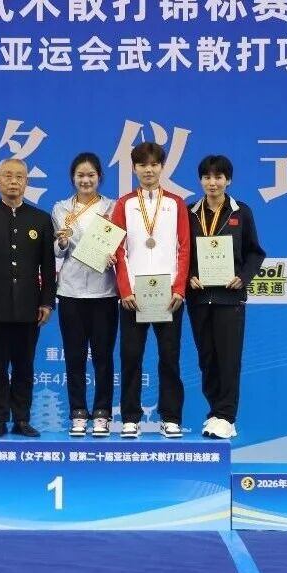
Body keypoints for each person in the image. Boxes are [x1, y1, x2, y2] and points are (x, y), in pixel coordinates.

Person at [0, 158, 57, 438]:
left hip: (30, 307)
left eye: (19, 176)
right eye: (7, 176)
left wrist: (47, 301)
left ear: (27, 181)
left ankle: (22, 418)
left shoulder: (40, 219)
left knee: (24, 366)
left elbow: (48, 266)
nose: (13, 181)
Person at [111, 142, 190, 439]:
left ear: (162, 167)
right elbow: (118, 250)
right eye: (143, 165)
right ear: (134, 168)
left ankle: (171, 417)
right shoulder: (124, 204)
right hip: (133, 295)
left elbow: (185, 247)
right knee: (131, 356)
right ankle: (130, 417)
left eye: (154, 164)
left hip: (169, 295)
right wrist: (125, 290)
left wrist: (179, 288)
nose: (149, 170)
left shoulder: (176, 203)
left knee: (169, 357)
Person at [186, 155, 265, 440]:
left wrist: (243, 277)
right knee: (207, 359)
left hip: (229, 299)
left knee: (228, 359)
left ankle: (227, 417)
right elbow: (181, 252)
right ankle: (215, 413)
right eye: (207, 177)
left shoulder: (241, 212)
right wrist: (188, 276)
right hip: (198, 298)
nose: (213, 183)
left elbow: (255, 252)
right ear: (200, 180)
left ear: (228, 180)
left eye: (218, 177)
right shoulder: (189, 213)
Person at [52, 152, 118, 438]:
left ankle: (102, 412)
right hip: (71, 291)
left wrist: (114, 255)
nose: (85, 180)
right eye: (80, 175)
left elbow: (121, 246)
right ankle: (78, 412)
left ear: (99, 177)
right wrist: (61, 242)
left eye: (91, 175)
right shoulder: (61, 208)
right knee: (74, 356)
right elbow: (58, 252)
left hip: (105, 291)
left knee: (103, 356)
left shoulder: (112, 207)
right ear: (73, 178)